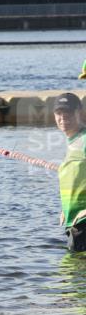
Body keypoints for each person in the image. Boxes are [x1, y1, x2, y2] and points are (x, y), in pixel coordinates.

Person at [55, 93, 86, 251]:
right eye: (59, 113)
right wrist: (66, 208)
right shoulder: (73, 142)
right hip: (74, 220)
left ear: (79, 112)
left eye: (68, 113)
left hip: (84, 222)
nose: (63, 118)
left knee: (72, 265)